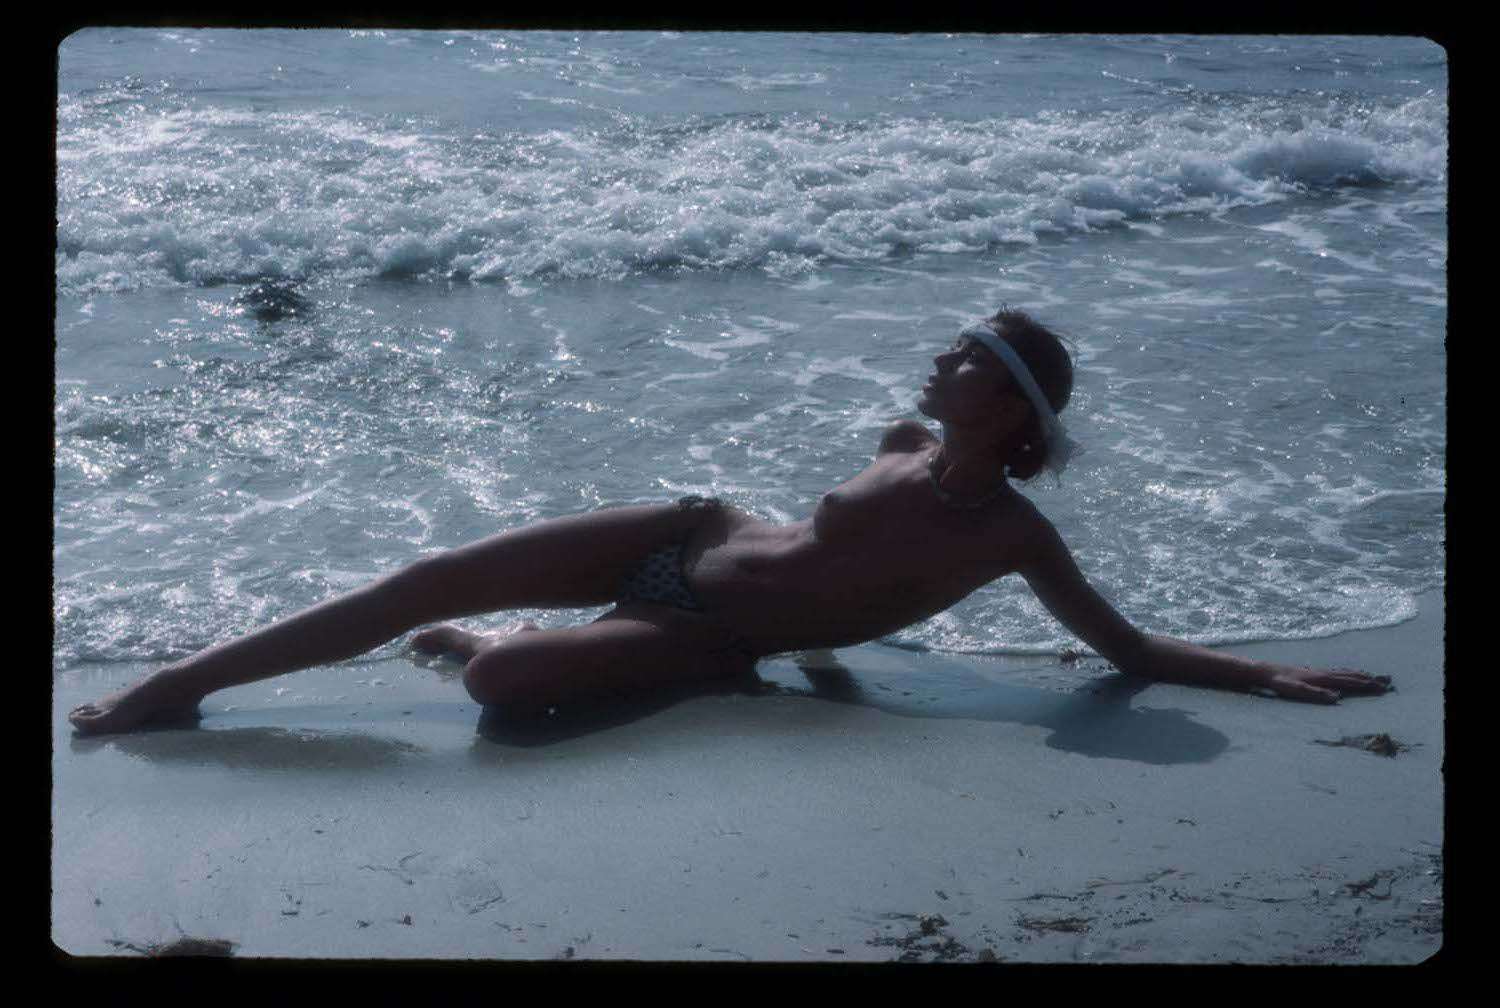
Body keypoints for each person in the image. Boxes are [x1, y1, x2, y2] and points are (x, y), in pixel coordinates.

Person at [67, 308, 1390, 735]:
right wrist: (828, 649)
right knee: (423, 574)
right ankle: (179, 688)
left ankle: (512, 647)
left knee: (505, 685)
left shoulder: (1013, 539)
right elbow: (840, 568)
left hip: (704, 636)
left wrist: (1264, 674)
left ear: (1012, 403)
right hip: (687, 530)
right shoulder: (906, 444)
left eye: (965, 354)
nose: (938, 361)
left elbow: (1128, 650)